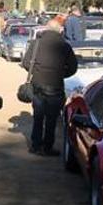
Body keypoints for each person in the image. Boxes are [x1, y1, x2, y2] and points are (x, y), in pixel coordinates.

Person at [22, 19, 78, 156]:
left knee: (38, 117)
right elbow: (73, 68)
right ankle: (47, 147)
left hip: (38, 87)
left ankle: (35, 146)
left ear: (46, 29)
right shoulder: (65, 46)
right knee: (52, 120)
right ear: (60, 31)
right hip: (56, 88)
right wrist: (60, 74)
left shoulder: (36, 43)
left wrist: (37, 72)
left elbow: (25, 63)